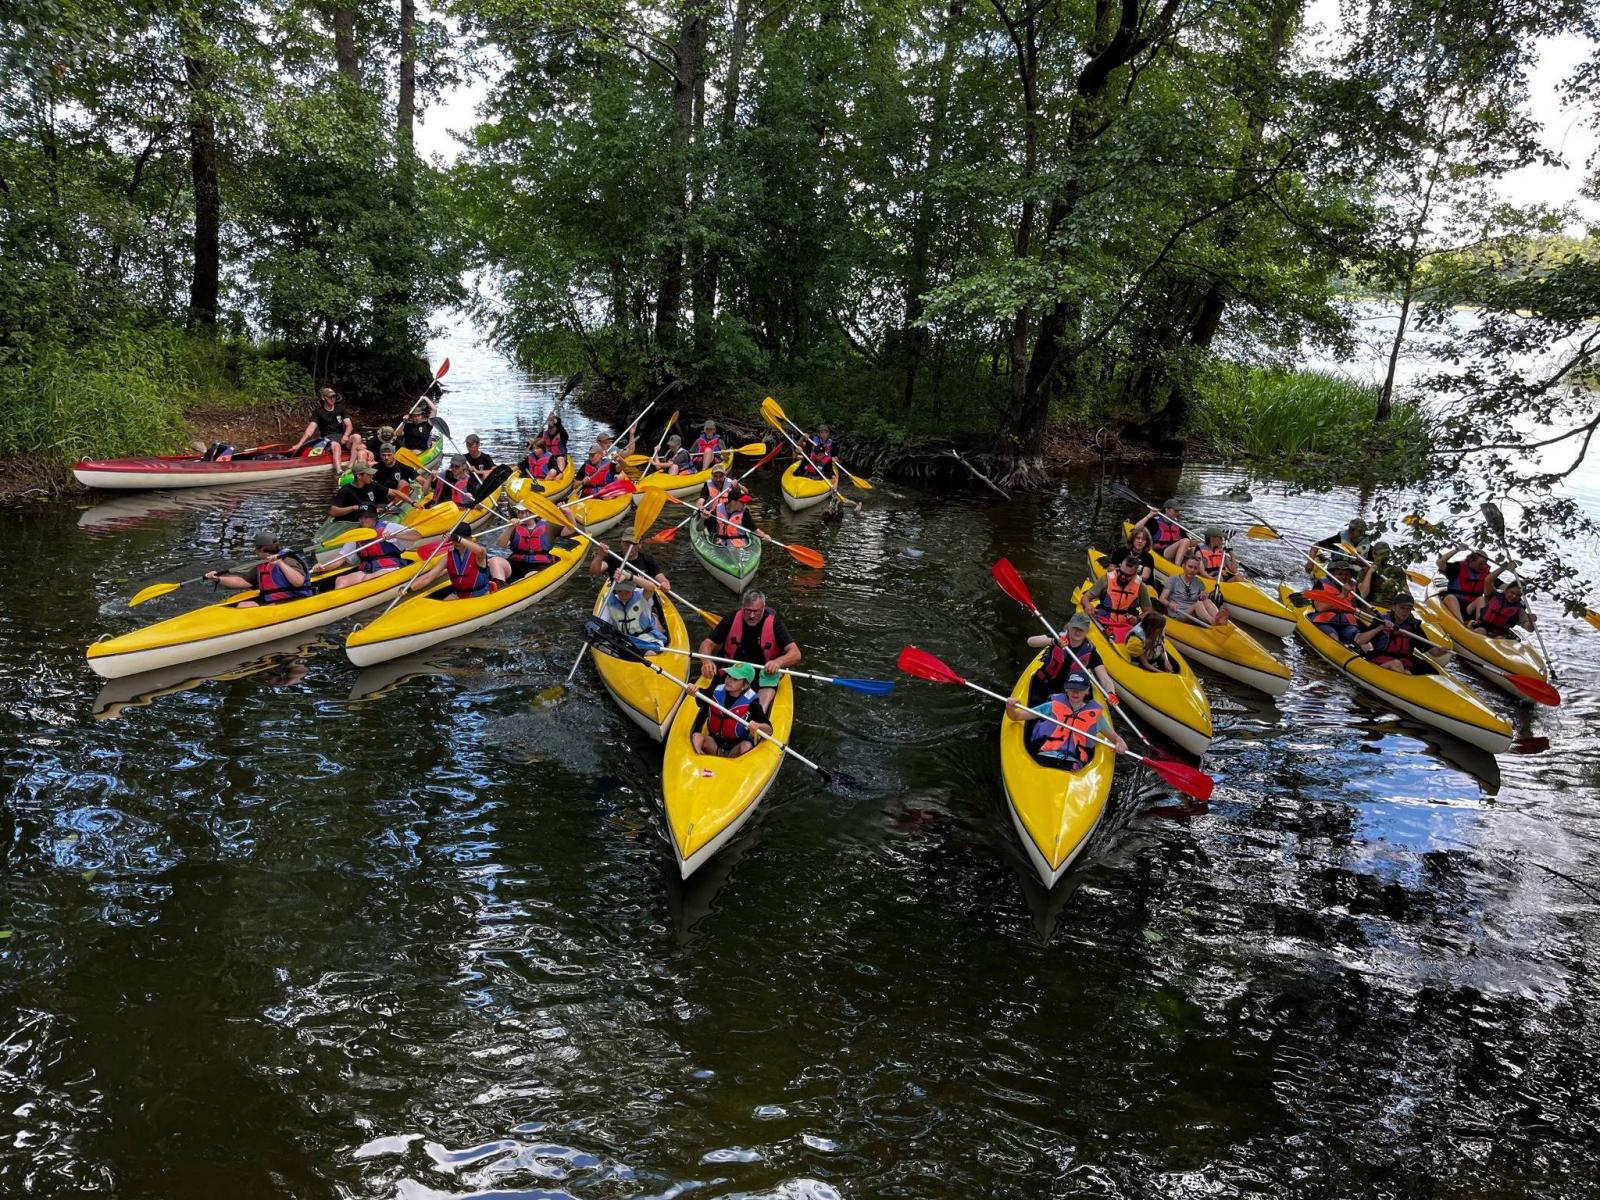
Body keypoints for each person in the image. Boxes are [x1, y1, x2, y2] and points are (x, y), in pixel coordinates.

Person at [1004, 670, 1127, 771]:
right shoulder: (1052, 705)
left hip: (1073, 761)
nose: (1076, 692)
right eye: (1072, 688)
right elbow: (1016, 716)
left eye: (1080, 689)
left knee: (1071, 770)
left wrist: (1121, 744)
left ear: (1087, 690)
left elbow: (1116, 739)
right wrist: (1010, 707)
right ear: (1066, 688)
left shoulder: (1095, 715)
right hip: (1045, 756)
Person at [699, 590, 801, 711]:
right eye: (748, 610)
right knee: (714, 695)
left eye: (756, 611)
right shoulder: (731, 618)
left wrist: (778, 662)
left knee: (764, 695)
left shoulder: (774, 622)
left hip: (762, 673)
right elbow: (707, 644)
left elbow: (795, 653)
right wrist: (706, 661)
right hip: (733, 670)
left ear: (763, 608)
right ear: (743, 608)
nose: (751, 616)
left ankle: (759, 716)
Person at [1025, 612, 1118, 706]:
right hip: (1043, 685)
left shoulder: (1091, 653)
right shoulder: (1057, 637)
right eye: (1075, 628)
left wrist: (1111, 693)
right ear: (1069, 626)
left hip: (1068, 694)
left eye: (1081, 629)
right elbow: (1031, 641)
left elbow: (1104, 678)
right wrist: (1053, 641)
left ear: (1087, 631)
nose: (1077, 632)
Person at [690, 661, 772, 759]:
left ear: (744, 685)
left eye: (735, 679)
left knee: (746, 746)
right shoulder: (715, 690)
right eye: (728, 676)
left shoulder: (752, 703)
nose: (729, 680)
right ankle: (697, 757)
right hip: (714, 745)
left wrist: (758, 726)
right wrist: (692, 690)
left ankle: (737, 767)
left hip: (736, 751)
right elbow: (699, 695)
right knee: (697, 736)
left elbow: (769, 730)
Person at [205, 533, 313, 607]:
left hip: (294, 600)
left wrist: (280, 563)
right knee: (237, 602)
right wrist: (218, 579)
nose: (255, 551)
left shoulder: (288, 559)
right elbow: (243, 581)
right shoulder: (262, 563)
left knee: (243, 606)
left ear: (261, 549)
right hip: (272, 600)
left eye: (256, 548)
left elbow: (298, 582)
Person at [414, 522, 510, 598]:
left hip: (481, 596)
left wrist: (458, 538)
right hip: (459, 596)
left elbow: (481, 551)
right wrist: (409, 588)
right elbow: (428, 577)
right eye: (454, 539)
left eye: (460, 538)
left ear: (470, 539)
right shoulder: (447, 558)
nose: (456, 542)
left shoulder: (478, 554)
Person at [1081, 550, 1153, 642]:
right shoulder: (1106, 580)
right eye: (1121, 572)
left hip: (1126, 625)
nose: (1122, 576)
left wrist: (1138, 618)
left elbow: (1148, 611)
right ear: (1119, 567)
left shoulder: (1141, 586)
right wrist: (1088, 605)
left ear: (1135, 574)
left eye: (1127, 575)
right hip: (1103, 620)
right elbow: (1086, 597)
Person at [334, 507, 409, 589]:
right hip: (367, 570)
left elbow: (416, 535)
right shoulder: (357, 534)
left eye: (366, 517)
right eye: (361, 517)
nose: (363, 520)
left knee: (369, 578)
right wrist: (321, 567)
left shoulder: (389, 527)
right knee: (341, 580)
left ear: (374, 517)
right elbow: (340, 558)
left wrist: (395, 535)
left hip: (389, 567)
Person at [1354, 595, 1431, 673]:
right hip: (1380, 661)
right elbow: (1359, 641)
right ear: (1393, 607)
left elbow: (1434, 652)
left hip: (1404, 664)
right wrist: (1380, 628)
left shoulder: (1414, 626)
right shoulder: (1382, 621)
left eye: (1408, 609)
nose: (1405, 611)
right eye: (1402, 607)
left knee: (1407, 671)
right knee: (1396, 664)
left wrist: (1442, 650)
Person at [289, 387, 360, 472]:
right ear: (323, 398)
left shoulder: (340, 409)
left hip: (342, 438)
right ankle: (339, 472)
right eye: (330, 397)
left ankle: (350, 467)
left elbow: (349, 425)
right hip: (327, 440)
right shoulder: (318, 412)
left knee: (357, 437)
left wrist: (345, 435)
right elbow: (310, 430)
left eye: (334, 396)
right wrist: (299, 444)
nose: (333, 399)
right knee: (336, 446)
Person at [1437, 542, 1504, 623]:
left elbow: (1503, 586)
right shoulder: (1457, 567)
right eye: (1481, 563)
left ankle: (1479, 623)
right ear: (1471, 560)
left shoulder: (1486, 575)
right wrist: (1457, 549)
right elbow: (1441, 563)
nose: (1483, 566)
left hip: (1470, 608)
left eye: (1485, 563)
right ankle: (1461, 624)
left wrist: (1520, 584)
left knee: (1481, 599)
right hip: (1453, 604)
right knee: (1450, 597)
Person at [502, 506, 573, 582]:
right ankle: (499, 584)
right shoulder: (514, 527)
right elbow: (502, 545)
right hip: (516, 562)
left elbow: (570, 530)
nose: (522, 515)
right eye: (519, 512)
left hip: (540, 564)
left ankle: (518, 585)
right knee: (495, 561)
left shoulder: (549, 526)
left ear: (533, 512)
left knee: (530, 576)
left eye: (526, 512)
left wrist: (569, 513)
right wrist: (509, 528)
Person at [600, 572, 667, 651]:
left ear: (633, 589)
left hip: (645, 639)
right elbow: (602, 621)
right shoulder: (609, 600)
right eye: (620, 591)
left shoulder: (642, 596)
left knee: (649, 653)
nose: (624, 595)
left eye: (627, 591)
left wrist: (630, 577)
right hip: (621, 640)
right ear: (616, 589)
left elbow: (652, 587)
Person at [1160, 551, 1230, 627]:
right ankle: (1213, 621)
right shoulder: (1173, 579)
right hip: (1179, 613)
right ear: (1183, 566)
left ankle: (1218, 619)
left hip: (1193, 613)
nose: (1192, 570)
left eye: (1195, 568)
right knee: (1198, 604)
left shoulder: (1199, 582)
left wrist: (1204, 595)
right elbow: (1162, 598)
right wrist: (1170, 604)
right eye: (1190, 567)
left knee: (1207, 601)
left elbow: (1203, 597)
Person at [1307, 560, 1362, 645]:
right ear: (1332, 575)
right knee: (1334, 637)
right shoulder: (1321, 584)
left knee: (1361, 639)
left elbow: (1362, 606)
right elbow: (1320, 608)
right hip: (1325, 622)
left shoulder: (1354, 586)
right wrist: (1342, 595)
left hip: (1347, 624)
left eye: (1347, 575)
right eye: (1339, 574)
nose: (1343, 577)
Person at [1469, 579, 1536, 638]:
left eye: (1518, 595)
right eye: (1512, 592)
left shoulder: (1519, 609)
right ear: (1506, 590)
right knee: (1481, 631)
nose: (1514, 597)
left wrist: (1531, 621)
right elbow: (1488, 580)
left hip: (1499, 634)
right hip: (1482, 626)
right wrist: (1504, 567)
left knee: (1500, 638)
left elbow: (1530, 629)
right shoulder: (1494, 595)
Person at [1131, 499, 1188, 563]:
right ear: (1167, 510)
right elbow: (1135, 529)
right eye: (1175, 511)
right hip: (1160, 552)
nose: (1177, 513)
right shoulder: (1155, 522)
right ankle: (1177, 567)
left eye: (1178, 511)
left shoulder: (1178, 525)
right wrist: (1149, 515)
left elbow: (1188, 542)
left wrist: (1199, 543)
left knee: (1195, 548)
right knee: (1185, 541)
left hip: (1175, 552)